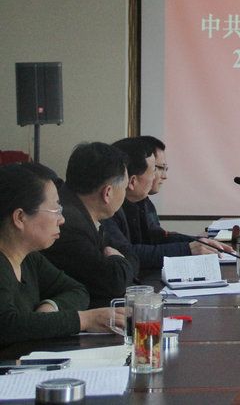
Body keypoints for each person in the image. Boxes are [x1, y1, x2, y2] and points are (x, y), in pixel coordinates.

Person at [0, 163, 119, 345]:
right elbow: (8, 325)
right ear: (20, 217)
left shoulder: (29, 258)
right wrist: (85, 320)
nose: (62, 220)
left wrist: (50, 308)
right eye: (56, 210)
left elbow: (77, 291)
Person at [102, 137, 228, 268]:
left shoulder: (142, 202)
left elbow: (157, 237)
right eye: (156, 169)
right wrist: (188, 248)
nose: (160, 176)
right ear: (132, 180)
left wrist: (199, 242)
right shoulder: (107, 209)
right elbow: (128, 253)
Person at [42, 142, 137, 308]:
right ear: (107, 193)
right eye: (124, 187)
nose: (125, 193)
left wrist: (120, 262)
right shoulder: (67, 224)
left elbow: (130, 255)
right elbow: (115, 282)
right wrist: (117, 259)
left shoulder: (88, 212)